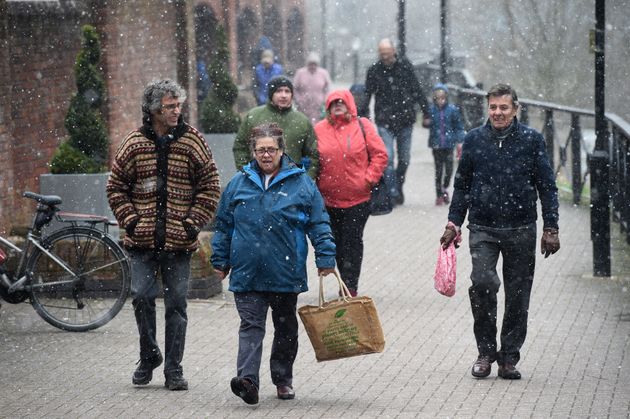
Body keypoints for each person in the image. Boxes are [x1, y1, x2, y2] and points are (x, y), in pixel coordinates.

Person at [440, 83, 560, 380]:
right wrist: (453, 223)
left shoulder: (531, 140)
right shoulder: (474, 140)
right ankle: (485, 350)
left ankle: (508, 357)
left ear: (515, 109)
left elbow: (546, 185)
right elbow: (462, 185)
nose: (497, 112)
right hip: (483, 227)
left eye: (504, 107)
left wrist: (551, 226)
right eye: (493, 107)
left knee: (518, 295)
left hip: (521, 227)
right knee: (482, 283)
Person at [107, 79, 220, 391]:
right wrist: (130, 221)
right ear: (153, 110)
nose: (176, 111)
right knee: (141, 297)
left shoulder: (192, 141)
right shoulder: (133, 143)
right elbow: (116, 186)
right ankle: (149, 356)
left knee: (177, 305)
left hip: (179, 243)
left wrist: (192, 222)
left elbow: (210, 184)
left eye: (178, 105)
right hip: (140, 242)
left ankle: (174, 369)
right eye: (169, 106)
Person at [212, 122, 336, 405]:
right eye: (260, 150)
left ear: (282, 151)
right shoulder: (238, 184)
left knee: (285, 329)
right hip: (247, 271)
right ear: (252, 152)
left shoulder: (301, 183)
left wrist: (326, 257)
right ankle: (248, 382)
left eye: (271, 149)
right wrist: (220, 261)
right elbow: (223, 226)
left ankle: (282, 379)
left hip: (285, 270)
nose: (265, 155)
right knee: (251, 326)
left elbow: (319, 222)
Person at [315, 89, 387, 296]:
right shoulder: (319, 129)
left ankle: (350, 285)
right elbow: (312, 159)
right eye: (333, 103)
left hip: (358, 199)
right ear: (327, 107)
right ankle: (344, 281)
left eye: (341, 102)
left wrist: (369, 179)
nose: (338, 105)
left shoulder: (363, 126)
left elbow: (380, 154)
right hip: (329, 200)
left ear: (350, 104)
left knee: (352, 241)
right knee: (336, 242)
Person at [358, 38, 430, 206]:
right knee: (388, 158)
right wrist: (363, 116)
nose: (385, 57)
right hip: (385, 120)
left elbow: (417, 89)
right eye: (382, 54)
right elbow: (368, 93)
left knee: (404, 159)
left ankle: (398, 184)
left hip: (405, 119)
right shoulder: (374, 70)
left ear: (394, 52)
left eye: (387, 54)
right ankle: (392, 191)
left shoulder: (405, 67)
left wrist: (426, 111)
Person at [233, 75, 319, 178]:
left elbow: (313, 155)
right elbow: (240, 147)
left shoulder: (302, 121)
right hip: (258, 182)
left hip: (292, 183)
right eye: (279, 91)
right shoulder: (253, 116)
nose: (283, 95)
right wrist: (246, 174)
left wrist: (306, 180)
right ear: (271, 94)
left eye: (287, 91)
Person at [427, 83, 466, 205]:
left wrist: (460, 140)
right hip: (436, 145)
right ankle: (439, 194)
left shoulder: (452, 110)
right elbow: (427, 123)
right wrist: (426, 122)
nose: (440, 100)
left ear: (446, 97)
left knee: (449, 170)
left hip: (449, 145)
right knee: (438, 171)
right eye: (438, 98)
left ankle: (444, 188)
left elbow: (459, 126)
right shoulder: (431, 110)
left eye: (442, 97)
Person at [293, 52, 332, 124]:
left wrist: (325, 99)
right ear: (307, 64)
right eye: (311, 64)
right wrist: (298, 99)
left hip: (318, 106)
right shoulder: (300, 73)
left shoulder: (323, 73)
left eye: (315, 64)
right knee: (302, 124)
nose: (313, 66)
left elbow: (328, 88)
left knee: (317, 126)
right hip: (303, 105)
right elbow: (294, 88)